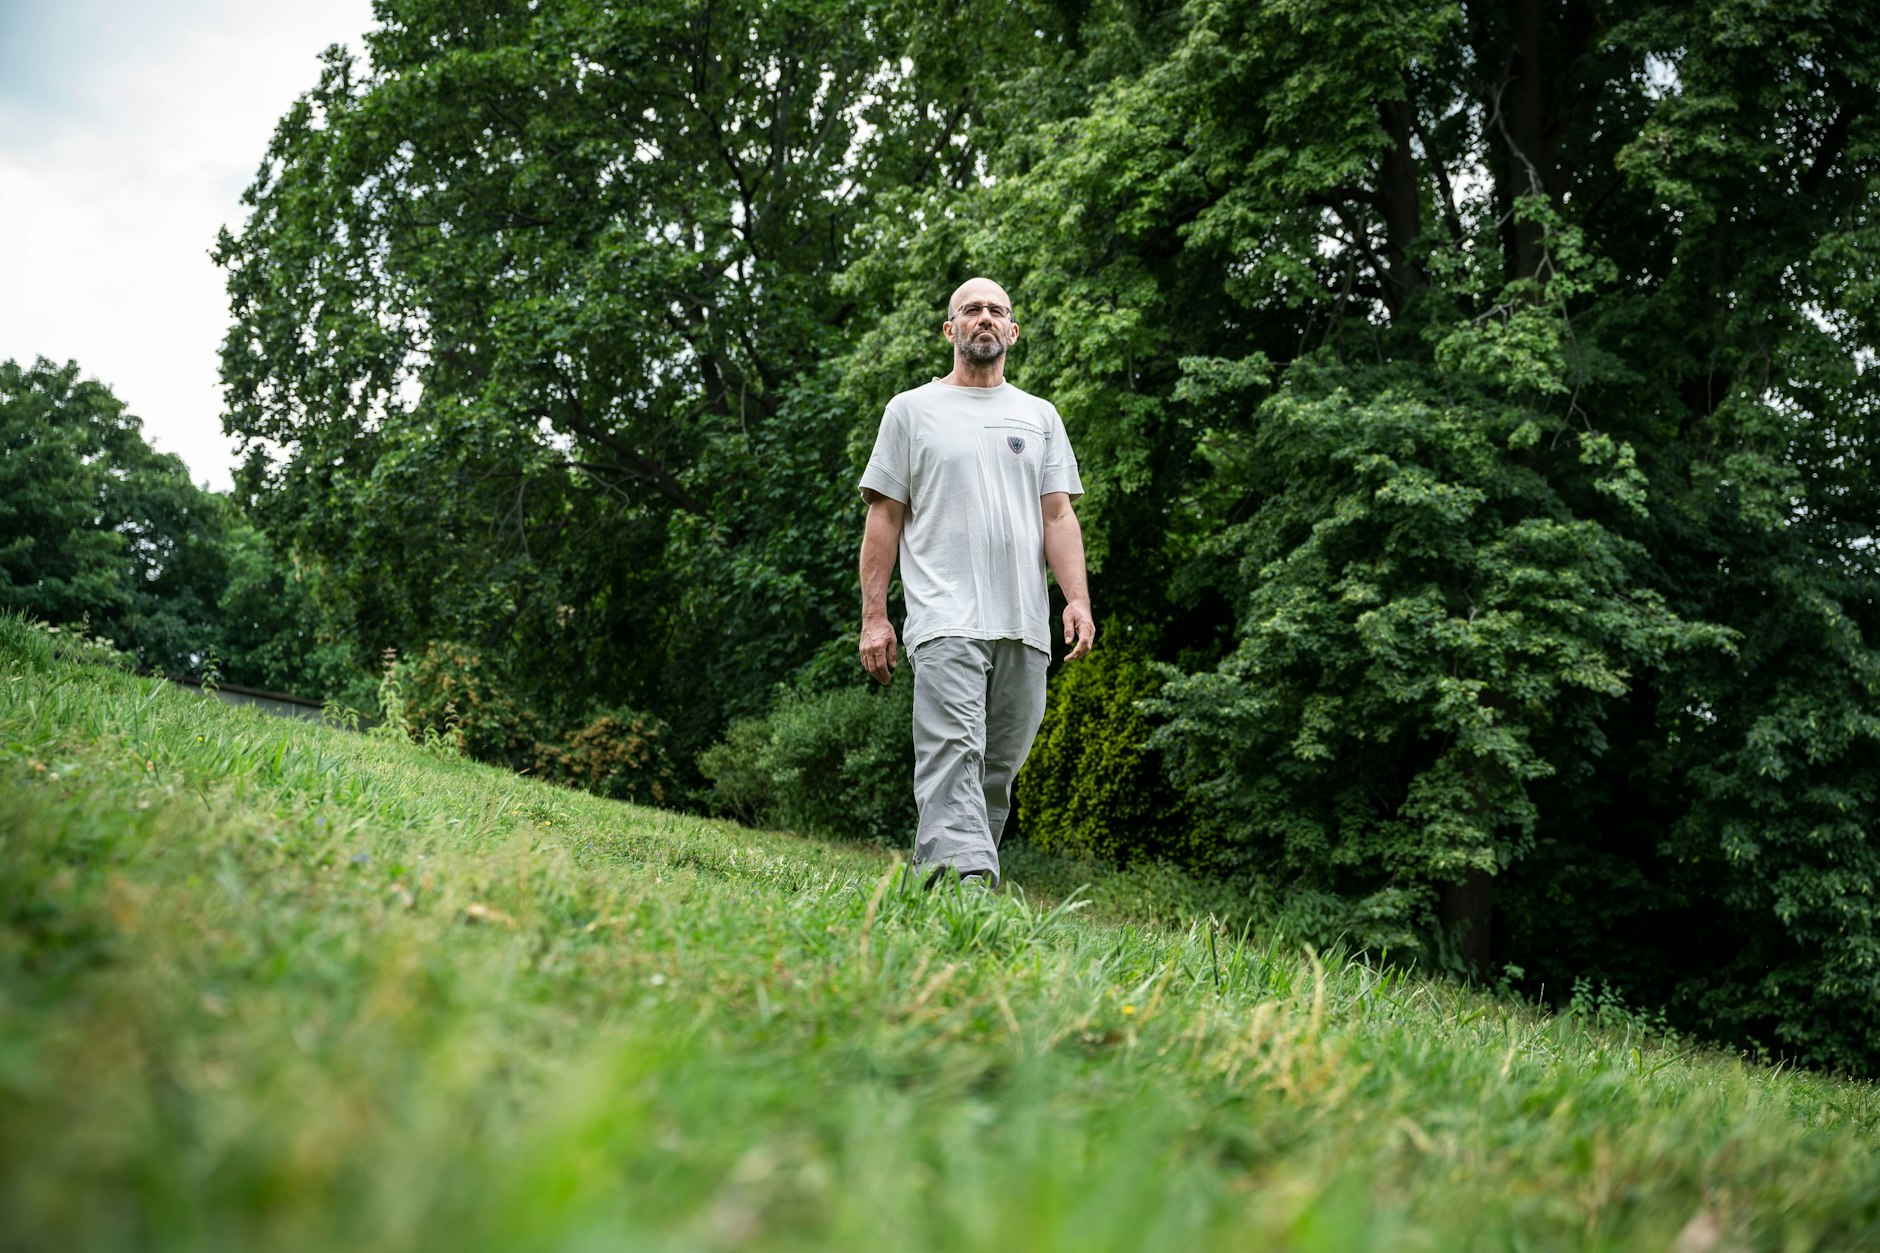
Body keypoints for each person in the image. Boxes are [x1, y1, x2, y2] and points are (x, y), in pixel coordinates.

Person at [857, 276, 1095, 890]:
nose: (983, 318)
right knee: (953, 757)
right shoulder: (911, 411)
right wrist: (875, 617)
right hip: (945, 620)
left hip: (1023, 625)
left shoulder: (1039, 415)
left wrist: (1076, 601)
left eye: (996, 310)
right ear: (950, 330)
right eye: (971, 310)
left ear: (1012, 331)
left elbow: (1058, 515)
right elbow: (883, 516)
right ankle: (970, 896)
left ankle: (938, 897)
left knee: (993, 775)